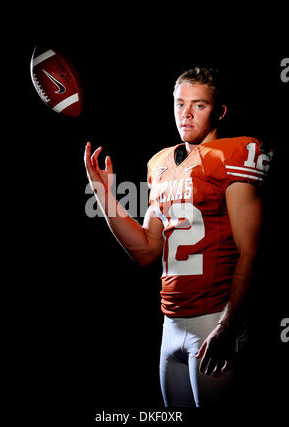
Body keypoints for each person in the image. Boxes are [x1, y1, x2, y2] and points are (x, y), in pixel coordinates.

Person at [84, 67, 273, 407]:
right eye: (179, 103)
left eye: (198, 105)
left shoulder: (233, 155)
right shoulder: (160, 164)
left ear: (219, 111)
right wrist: (103, 195)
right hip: (170, 323)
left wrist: (228, 325)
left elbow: (253, 252)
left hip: (215, 320)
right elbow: (145, 249)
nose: (185, 114)